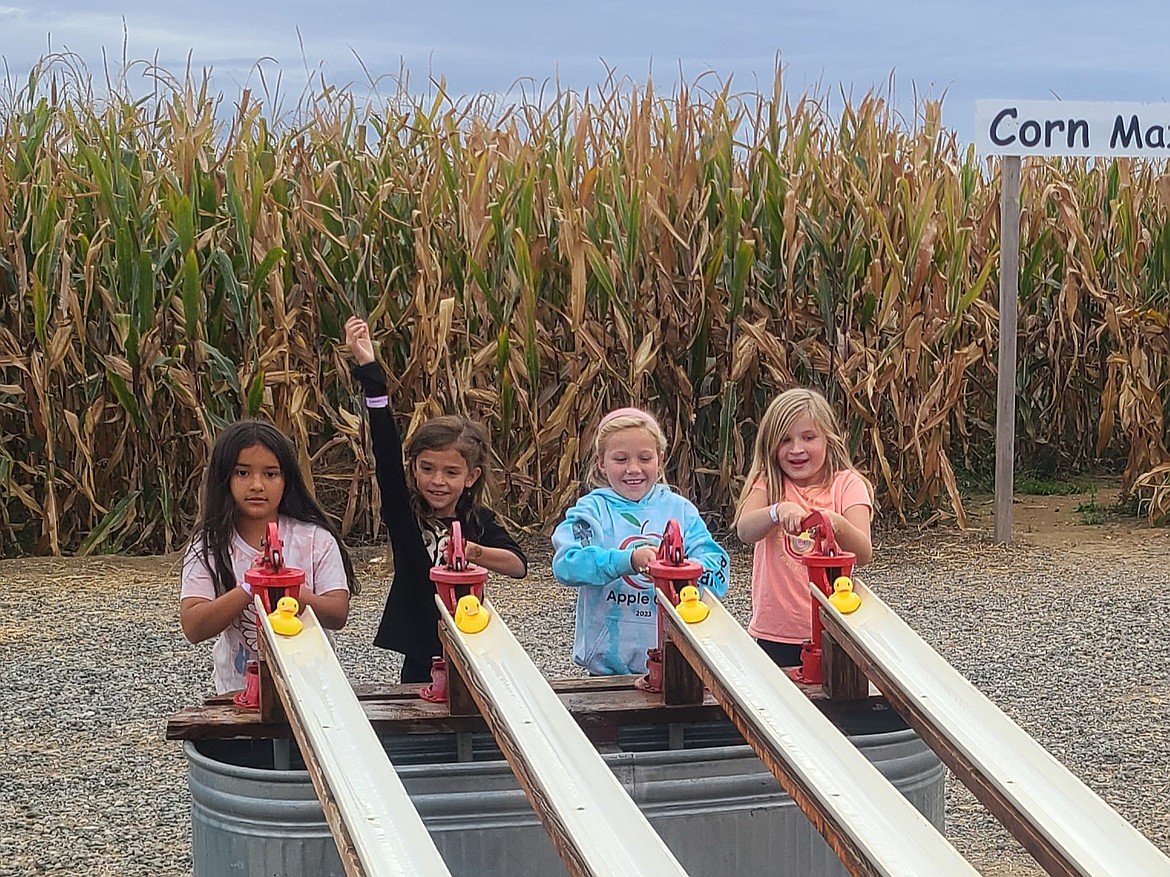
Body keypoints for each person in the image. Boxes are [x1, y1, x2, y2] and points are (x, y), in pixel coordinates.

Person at [344, 316, 527, 684]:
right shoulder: (405, 514)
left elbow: (518, 565)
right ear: (413, 469)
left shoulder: (478, 520)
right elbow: (384, 447)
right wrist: (369, 368)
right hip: (419, 649)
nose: (437, 481)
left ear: (471, 477)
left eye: (451, 472)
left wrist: (471, 551)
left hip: (470, 639)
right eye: (427, 469)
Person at [179, 419, 357, 694]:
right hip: (237, 691)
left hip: (313, 690)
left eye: (271, 474)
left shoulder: (315, 540)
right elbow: (193, 626)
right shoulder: (209, 545)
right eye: (242, 473)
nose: (257, 485)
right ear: (223, 478)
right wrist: (250, 587)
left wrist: (290, 590)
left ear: (287, 480)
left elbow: (338, 614)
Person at [552, 407, 729, 675]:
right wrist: (628, 561)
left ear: (660, 458)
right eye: (620, 459)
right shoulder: (591, 511)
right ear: (601, 462)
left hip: (676, 660)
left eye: (644, 458)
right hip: (607, 672)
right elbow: (567, 564)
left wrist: (683, 571)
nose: (633, 469)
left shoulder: (680, 510)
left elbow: (717, 565)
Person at [734, 388, 873, 669]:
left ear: (829, 440)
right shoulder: (769, 484)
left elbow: (864, 552)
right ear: (771, 446)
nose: (796, 449)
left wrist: (836, 524)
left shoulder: (848, 485)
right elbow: (745, 531)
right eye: (785, 440)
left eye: (808, 438)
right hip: (776, 632)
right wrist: (776, 511)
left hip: (834, 627)